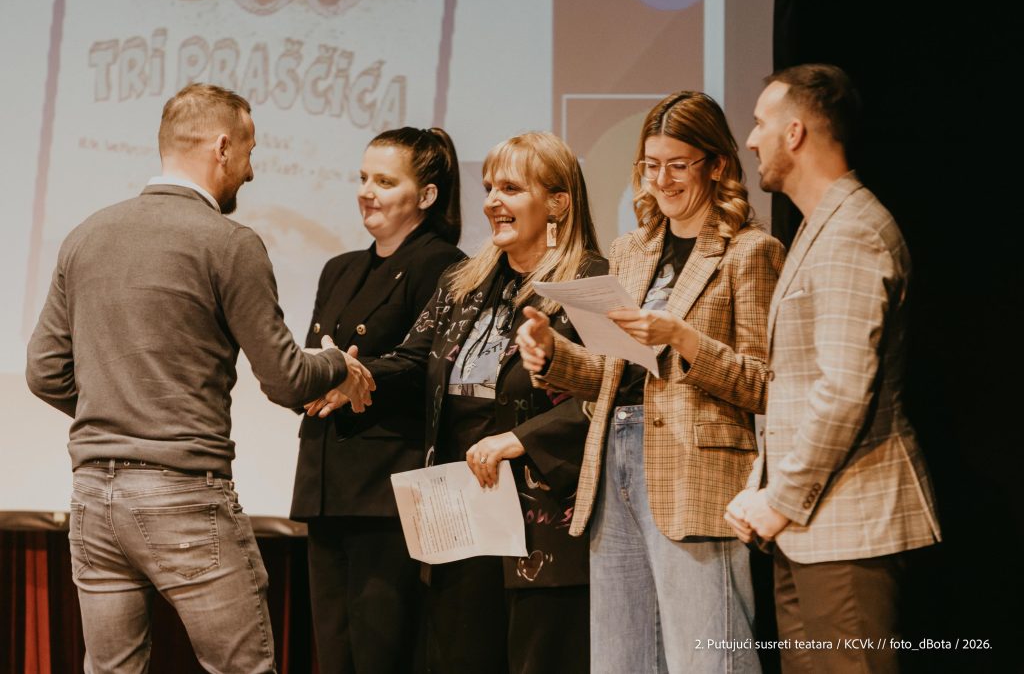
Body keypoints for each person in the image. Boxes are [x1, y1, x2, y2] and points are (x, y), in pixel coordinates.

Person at [25, 83, 373, 673]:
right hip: (183, 492)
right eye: (249, 152)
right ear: (222, 147)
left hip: (93, 497)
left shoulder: (86, 234)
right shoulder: (228, 242)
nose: (251, 171)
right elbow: (287, 379)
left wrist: (119, 406)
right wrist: (340, 362)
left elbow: (43, 371)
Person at [308, 131, 604, 674]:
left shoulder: (591, 280)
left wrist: (520, 439)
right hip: (462, 510)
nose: (492, 201)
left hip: (543, 519)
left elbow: (617, 394)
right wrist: (350, 374)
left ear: (558, 202)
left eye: (510, 188)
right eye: (489, 187)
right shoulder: (463, 281)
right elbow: (412, 362)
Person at [517, 92, 784, 673]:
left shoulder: (750, 252)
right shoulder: (630, 251)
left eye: (678, 165)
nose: (661, 180)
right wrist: (552, 354)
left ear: (716, 164)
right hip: (613, 459)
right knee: (622, 659)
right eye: (651, 164)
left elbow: (766, 384)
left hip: (696, 472)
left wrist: (685, 339)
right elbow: (612, 372)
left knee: (708, 658)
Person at [727, 64, 941, 673]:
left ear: (794, 133)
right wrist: (766, 488)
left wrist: (780, 498)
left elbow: (844, 389)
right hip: (807, 526)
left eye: (761, 123)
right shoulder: (820, 226)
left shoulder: (852, 231)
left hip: (848, 524)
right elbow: (795, 381)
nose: (751, 140)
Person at [290, 127, 465, 673]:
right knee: (334, 654)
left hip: (387, 488)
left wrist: (348, 373)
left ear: (427, 195)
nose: (367, 192)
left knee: (383, 653)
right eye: (364, 178)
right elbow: (312, 360)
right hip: (325, 481)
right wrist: (318, 375)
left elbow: (428, 365)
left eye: (385, 182)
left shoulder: (444, 264)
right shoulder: (339, 268)